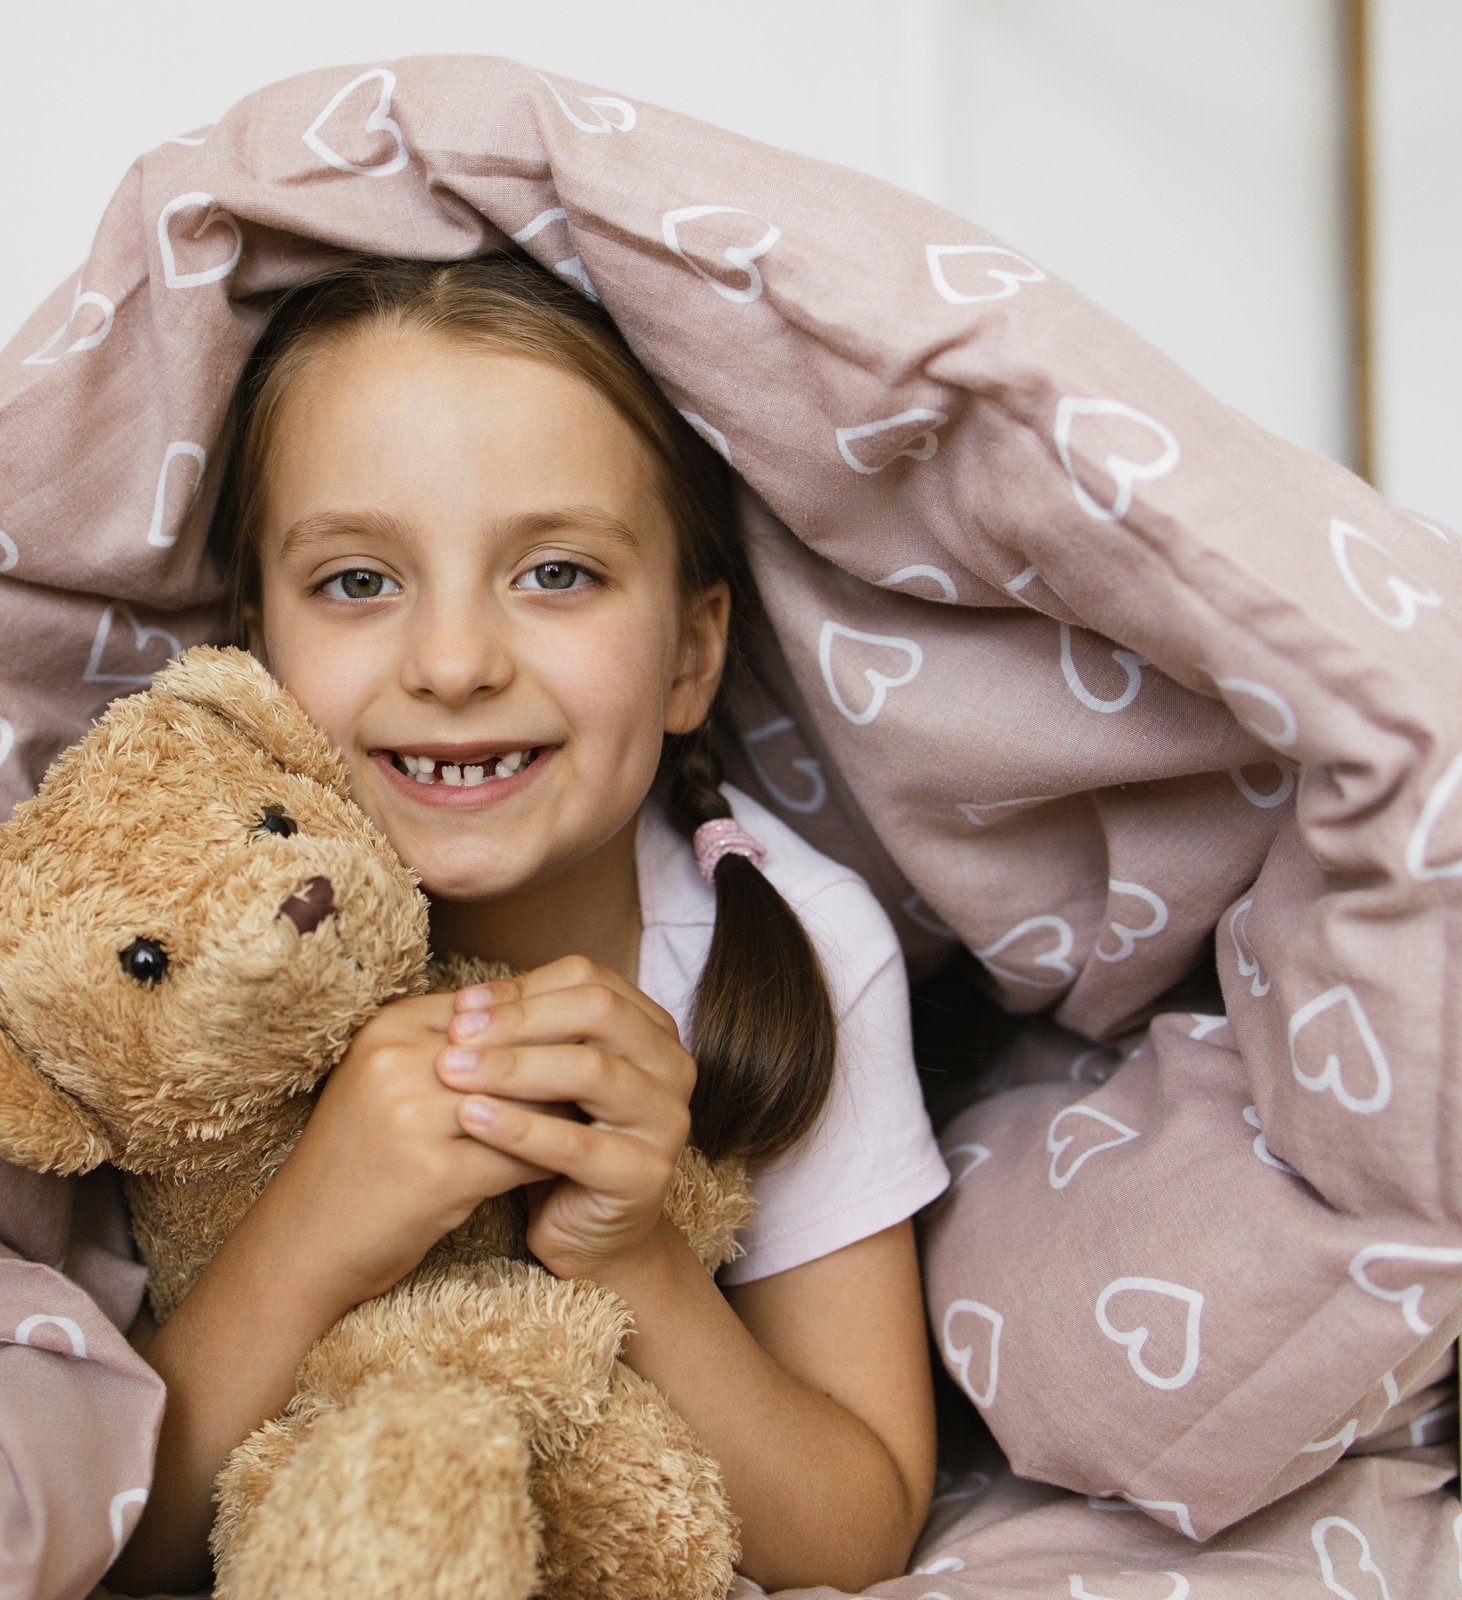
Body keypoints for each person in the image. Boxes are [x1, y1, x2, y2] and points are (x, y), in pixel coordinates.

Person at [106, 250, 951, 1596]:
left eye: (556, 573)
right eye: (357, 581)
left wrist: (639, 1260)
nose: (453, 664)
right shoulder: (164, 941)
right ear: (251, 653)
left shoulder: (795, 945)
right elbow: (106, 1543)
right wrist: (313, 1228)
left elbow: (859, 1530)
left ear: (690, 653)